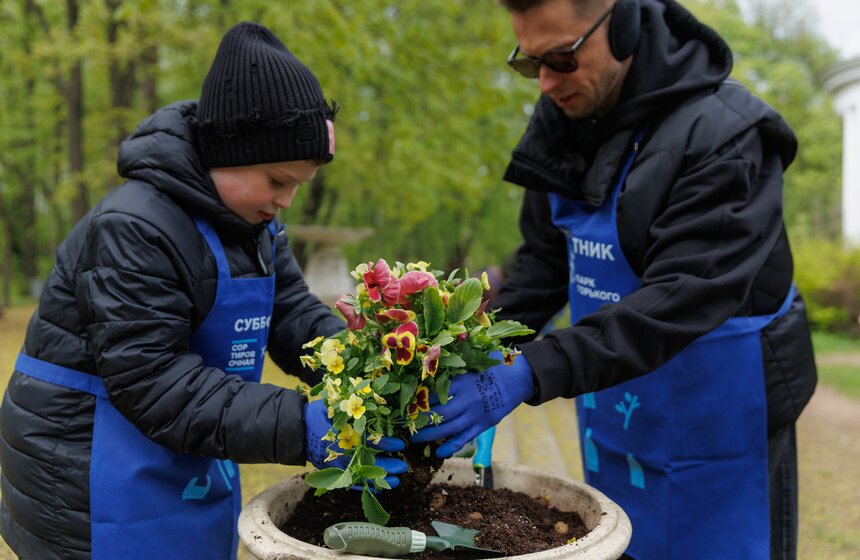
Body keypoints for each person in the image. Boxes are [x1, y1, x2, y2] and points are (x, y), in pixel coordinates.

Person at [412, 1, 817, 558]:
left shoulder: (728, 135)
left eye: (562, 57)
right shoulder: (565, 120)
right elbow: (545, 262)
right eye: (530, 63)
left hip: (720, 416)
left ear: (624, 24)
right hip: (616, 398)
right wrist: (475, 350)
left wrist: (531, 372)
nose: (549, 82)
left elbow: (682, 295)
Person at [0, 22, 405, 560]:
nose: (285, 201)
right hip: (86, 472)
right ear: (228, 151)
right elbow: (154, 380)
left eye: (297, 188)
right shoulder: (135, 227)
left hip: (183, 443)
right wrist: (305, 424)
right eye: (277, 180)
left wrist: (368, 370)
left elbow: (292, 315)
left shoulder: (255, 224)